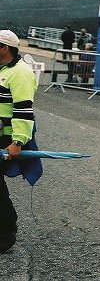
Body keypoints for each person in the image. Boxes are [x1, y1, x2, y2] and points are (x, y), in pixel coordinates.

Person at [0, 29, 39, 254]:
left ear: (4, 48)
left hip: (7, 136)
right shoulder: (2, 70)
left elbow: (24, 111)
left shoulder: (20, 73)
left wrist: (18, 142)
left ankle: (6, 231)